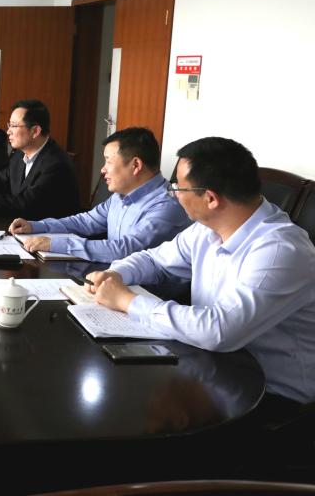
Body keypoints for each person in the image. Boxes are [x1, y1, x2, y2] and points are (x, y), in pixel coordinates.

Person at [87, 137, 315, 406]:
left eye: (178, 187)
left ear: (210, 198)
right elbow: (154, 260)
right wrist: (116, 274)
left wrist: (127, 301)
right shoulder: (206, 229)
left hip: (273, 395)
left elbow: (219, 330)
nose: (173, 194)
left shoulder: (280, 250)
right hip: (214, 370)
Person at [7, 127, 191, 262]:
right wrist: (35, 226)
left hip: (151, 294)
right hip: (116, 279)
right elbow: (85, 221)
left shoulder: (166, 205)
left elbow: (126, 249)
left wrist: (54, 244)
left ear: (135, 165)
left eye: (108, 161)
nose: (103, 169)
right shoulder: (121, 196)